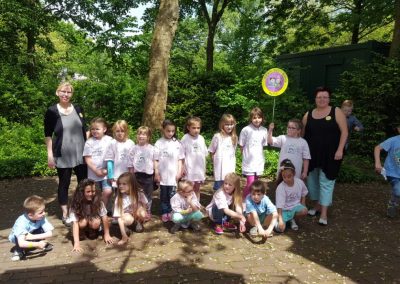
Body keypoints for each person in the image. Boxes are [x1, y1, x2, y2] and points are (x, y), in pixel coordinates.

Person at [302, 86, 348, 226]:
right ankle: (317, 205)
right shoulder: (308, 114)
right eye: (319, 97)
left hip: (331, 155)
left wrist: (340, 150)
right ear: (315, 99)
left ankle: (324, 213)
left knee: (326, 182)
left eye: (325, 97)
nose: (322, 99)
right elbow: (301, 134)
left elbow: (344, 132)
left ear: (329, 99)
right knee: (312, 182)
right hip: (312, 155)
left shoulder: (336, 111)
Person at [44, 82, 87, 226]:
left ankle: (82, 209)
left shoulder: (78, 108)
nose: (66, 94)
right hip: (62, 154)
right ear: (57, 92)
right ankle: (65, 213)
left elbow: (85, 130)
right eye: (63, 91)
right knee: (64, 183)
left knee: (83, 182)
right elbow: (48, 135)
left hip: (81, 153)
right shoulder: (51, 111)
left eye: (69, 92)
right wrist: (50, 155)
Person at [69, 179, 113, 252]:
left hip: (92, 220)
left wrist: (107, 234)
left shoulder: (98, 202)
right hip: (80, 222)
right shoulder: (75, 204)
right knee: (82, 223)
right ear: (82, 192)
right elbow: (75, 223)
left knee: (96, 222)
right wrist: (76, 244)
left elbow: (104, 217)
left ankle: (91, 230)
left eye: (93, 191)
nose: (91, 194)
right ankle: (82, 232)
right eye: (88, 192)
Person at [154, 119, 184, 222]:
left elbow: (180, 159)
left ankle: (172, 211)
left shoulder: (177, 143)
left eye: (173, 131)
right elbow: (156, 159)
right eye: (168, 131)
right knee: (163, 195)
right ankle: (164, 212)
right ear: (163, 130)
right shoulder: (159, 143)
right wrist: (156, 173)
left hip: (174, 176)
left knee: (173, 195)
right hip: (163, 176)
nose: (171, 133)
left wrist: (180, 172)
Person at [9, 195, 54, 261]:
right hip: (19, 239)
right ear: (30, 215)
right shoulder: (21, 222)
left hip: (31, 235)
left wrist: (32, 237)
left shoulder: (41, 217)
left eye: (44, 210)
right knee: (18, 237)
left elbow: (50, 233)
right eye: (41, 212)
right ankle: (18, 251)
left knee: (41, 228)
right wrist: (37, 244)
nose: (44, 213)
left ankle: (40, 243)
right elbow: (21, 243)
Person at [83, 117, 113, 212]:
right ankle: (96, 211)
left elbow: (113, 156)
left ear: (104, 129)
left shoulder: (110, 140)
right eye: (92, 129)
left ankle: (101, 210)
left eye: (97, 129)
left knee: (108, 191)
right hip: (93, 174)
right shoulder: (89, 142)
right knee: (95, 194)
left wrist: (107, 170)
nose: (94, 131)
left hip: (106, 173)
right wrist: (96, 171)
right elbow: (87, 158)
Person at [239, 107, 268, 199]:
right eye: (254, 118)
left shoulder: (264, 130)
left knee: (256, 183)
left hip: (258, 160)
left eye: (259, 117)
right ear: (251, 118)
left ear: (262, 118)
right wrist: (245, 156)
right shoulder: (246, 130)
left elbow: (263, 144)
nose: (257, 120)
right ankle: (244, 201)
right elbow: (241, 145)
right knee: (250, 184)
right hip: (249, 161)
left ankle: (253, 201)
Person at [128, 126, 156, 218]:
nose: (141, 136)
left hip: (148, 175)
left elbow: (155, 162)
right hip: (137, 175)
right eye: (140, 134)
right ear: (137, 135)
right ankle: (137, 211)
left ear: (148, 137)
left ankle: (147, 211)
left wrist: (157, 174)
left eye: (144, 134)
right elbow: (130, 163)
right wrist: (131, 176)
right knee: (137, 194)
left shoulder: (152, 148)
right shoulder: (133, 148)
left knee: (147, 194)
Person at [113, 172, 148, 245]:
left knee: (141, 220)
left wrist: (143, 214)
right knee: (124, 223)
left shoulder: (138, 193)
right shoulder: (119, 198)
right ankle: (124, 234)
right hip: (124, 217)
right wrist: (124, 235)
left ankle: (137, 223)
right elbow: (120, 217)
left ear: (131, 184)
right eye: (119, 184)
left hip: (134, 215)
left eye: (124, 184)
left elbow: (144, 202)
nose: (121, 186)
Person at [275, 159, 308, 232]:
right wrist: (280, 219)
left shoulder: (299, 182)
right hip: (284, 210)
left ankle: (292, 219)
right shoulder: (281, 187)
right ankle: (276, 220)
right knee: (280, 229)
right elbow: (279, 205)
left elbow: (304, 192)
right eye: (284, 177)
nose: (286, 179)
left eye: (289, 176)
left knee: (304, 210)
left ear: (294, 174)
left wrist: (303, 203)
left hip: (295, 207)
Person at [374, 124, 400, 218]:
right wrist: (377, 163)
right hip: (392, 172)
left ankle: (393, 203)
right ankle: (392, 203)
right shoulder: (393, 140)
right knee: (398, 191)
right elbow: (377, 148)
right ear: (398, 129)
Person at [181, 116, 208, 201]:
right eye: (194, 128)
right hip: (189, 169)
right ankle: (186, 205)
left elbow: (204, 154)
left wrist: (204, 168)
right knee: (188, 188)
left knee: (197, 188)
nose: (196, 130)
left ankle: (197, 205)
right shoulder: (185, 138)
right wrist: (182, 168)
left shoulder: (201, 138)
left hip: (199, 169)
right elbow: (181, 155)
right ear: (188, 128)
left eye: (198, 128)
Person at [208, 114, 238, 191]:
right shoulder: (217, 136)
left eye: (231, 124)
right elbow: (211, 151)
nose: (229, 127)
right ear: (222, 125)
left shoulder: (234, 137)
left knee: (229, 188)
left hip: (230, 168)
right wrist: (215, 161)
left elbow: (233, 153)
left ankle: (228, 203)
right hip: (219, 169)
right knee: (219, 189)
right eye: (227, 124)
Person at [104, 120, 135, 188]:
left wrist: (132, 175)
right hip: (116, 175)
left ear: (126, 131)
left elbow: (132, 161)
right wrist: (110, 175)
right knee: (118, 195)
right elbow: (110, 161)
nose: (120, 133)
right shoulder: (112, 143)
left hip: (127, 175)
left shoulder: (131, 143)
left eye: (122, 131)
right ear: (114, 131)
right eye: (117, 131)